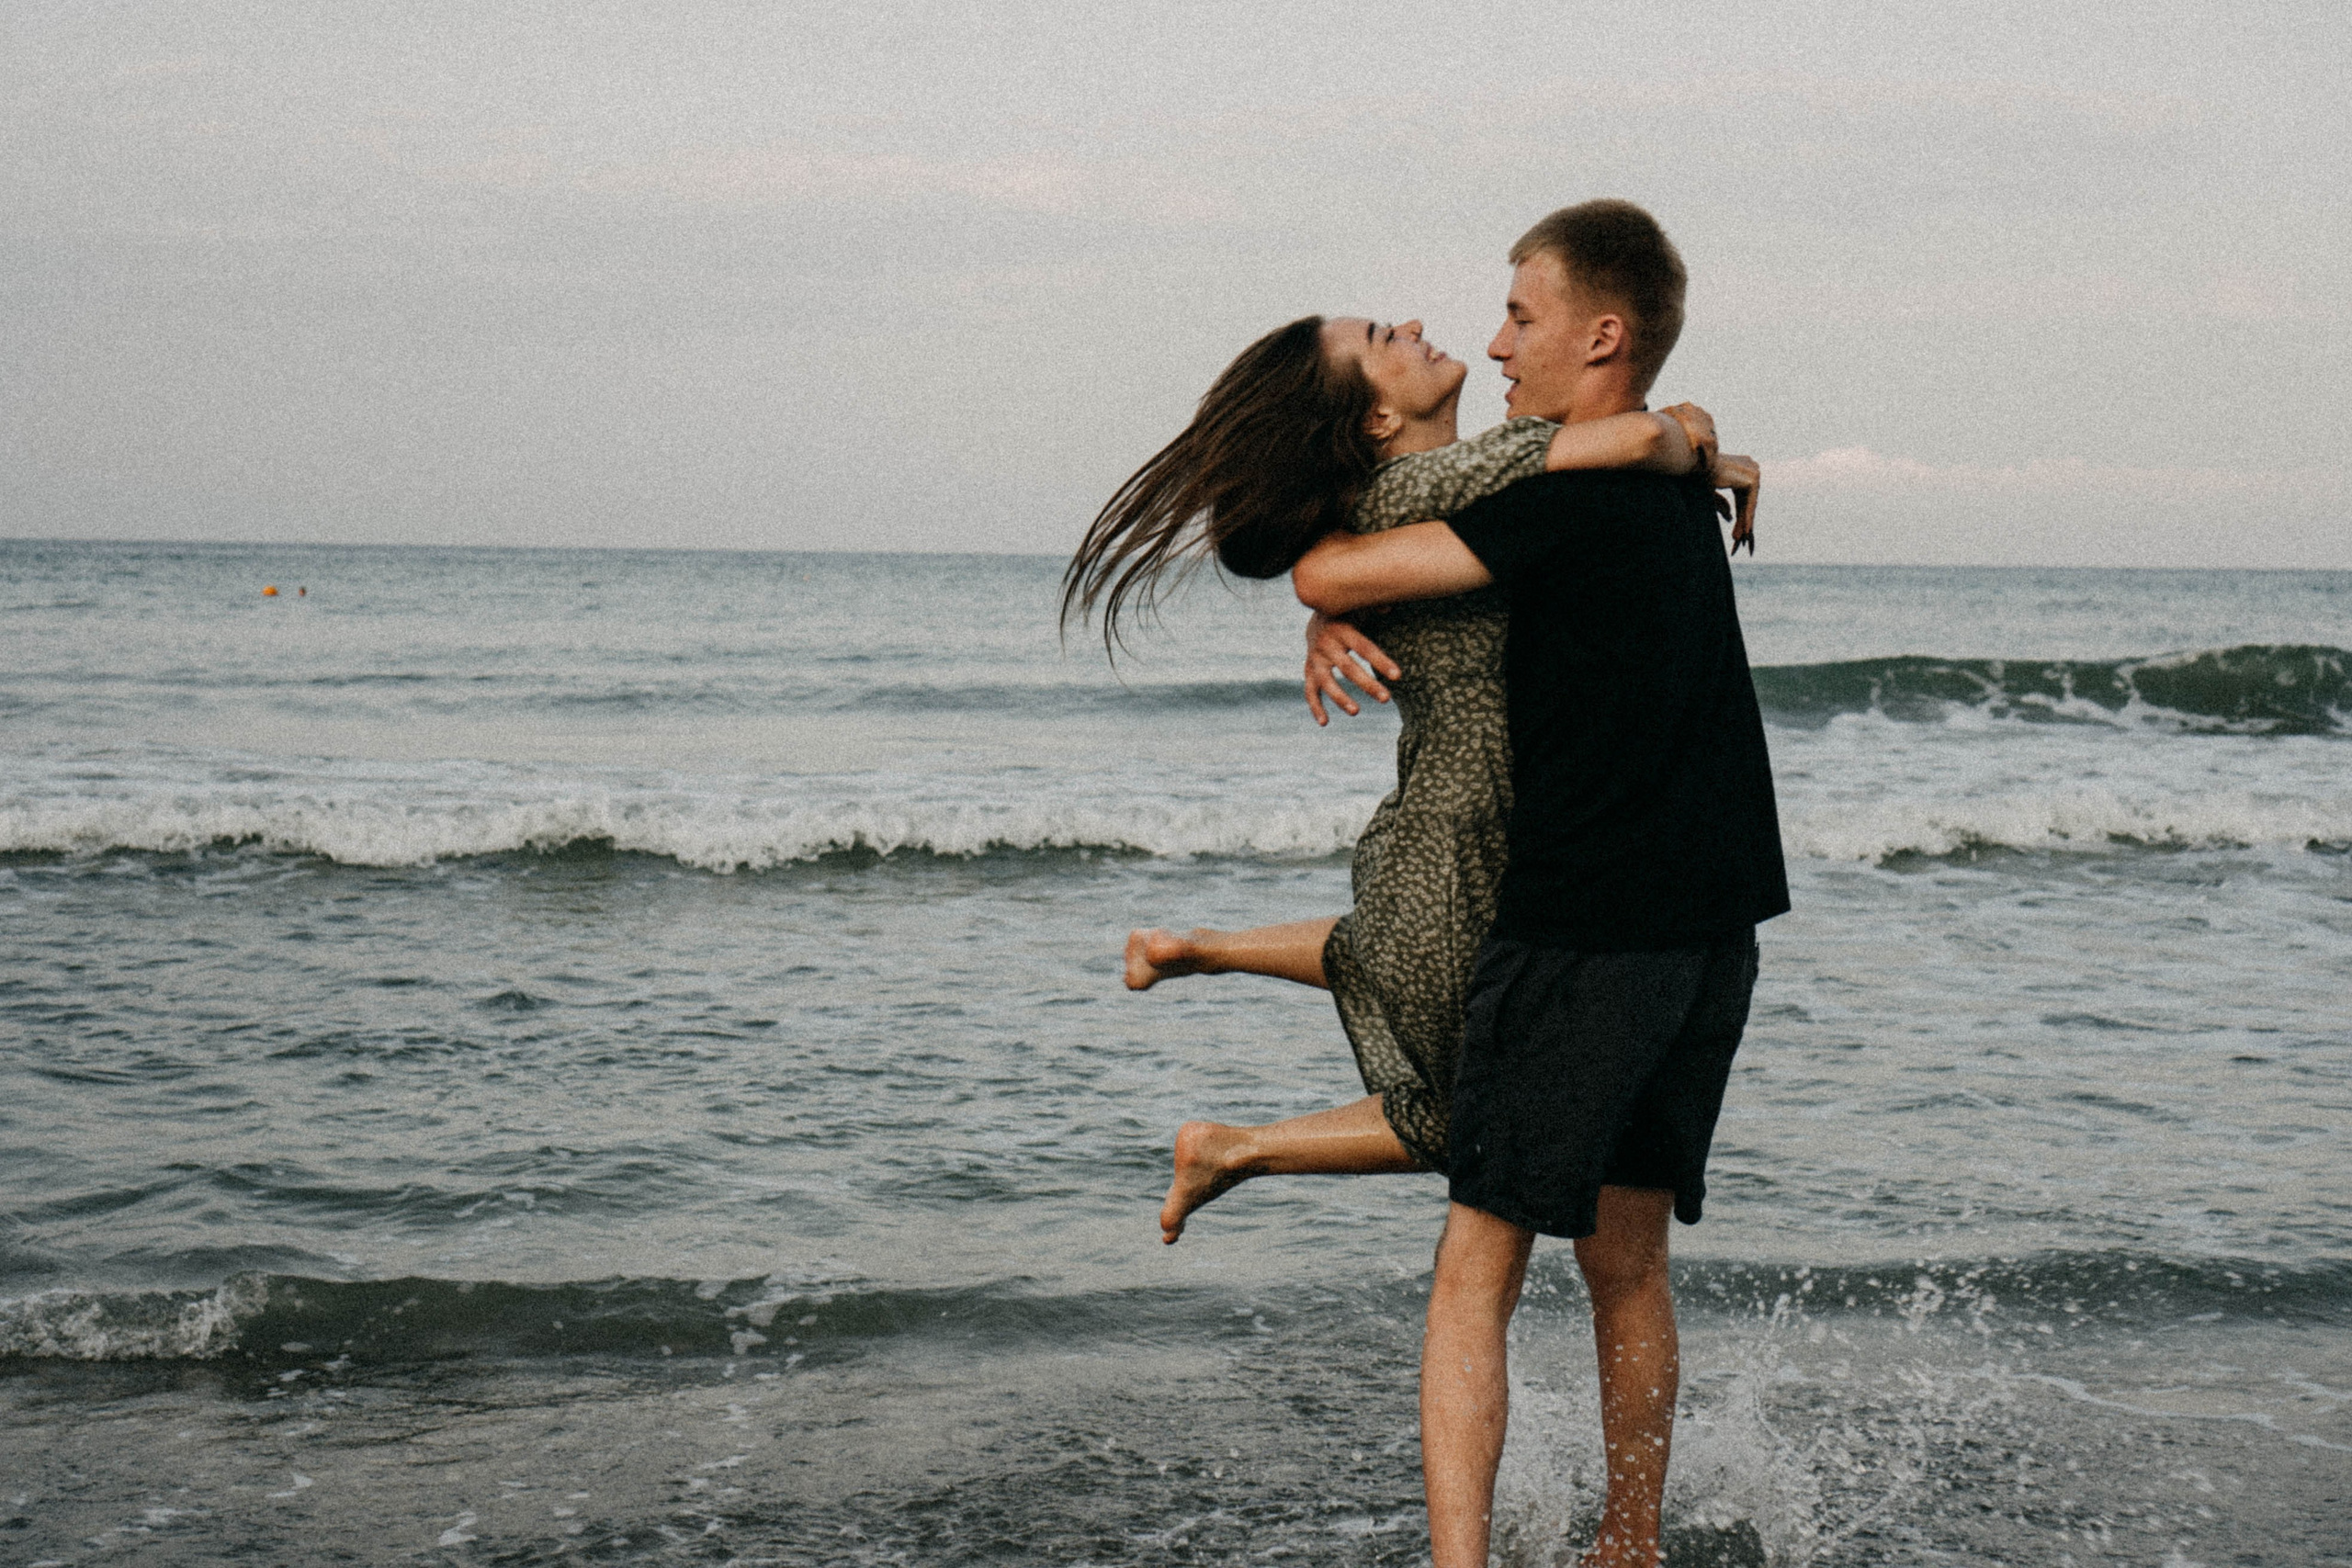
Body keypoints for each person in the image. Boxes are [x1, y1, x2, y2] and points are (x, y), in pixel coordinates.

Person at [1289, 199, 1788, 1568]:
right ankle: (1627, 1543)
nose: (1499, 343)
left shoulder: (1560, 501)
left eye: (1522, 315)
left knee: (1475, 1271)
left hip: (1582, 930)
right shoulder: (1672, 486)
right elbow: (1669, 434)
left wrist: (1329, 599)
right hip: (1716, 924)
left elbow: (1326, 558)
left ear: (1601, 334)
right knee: (1626, 1261)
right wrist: (1698, 438)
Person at [1063, 311, 1756, 1248]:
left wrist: (1690, 435)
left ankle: (1199, 956)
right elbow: (1634, 434)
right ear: (1378, 423)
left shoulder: (1434, 498)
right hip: (1464, 847)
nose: (1418, 326)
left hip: (1436, 845)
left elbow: (1374, 555)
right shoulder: (1445, 481)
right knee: (1471, 1123)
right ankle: (1233, 1148)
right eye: (1385, 338)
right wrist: (1696, 441)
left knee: (1381, 957)